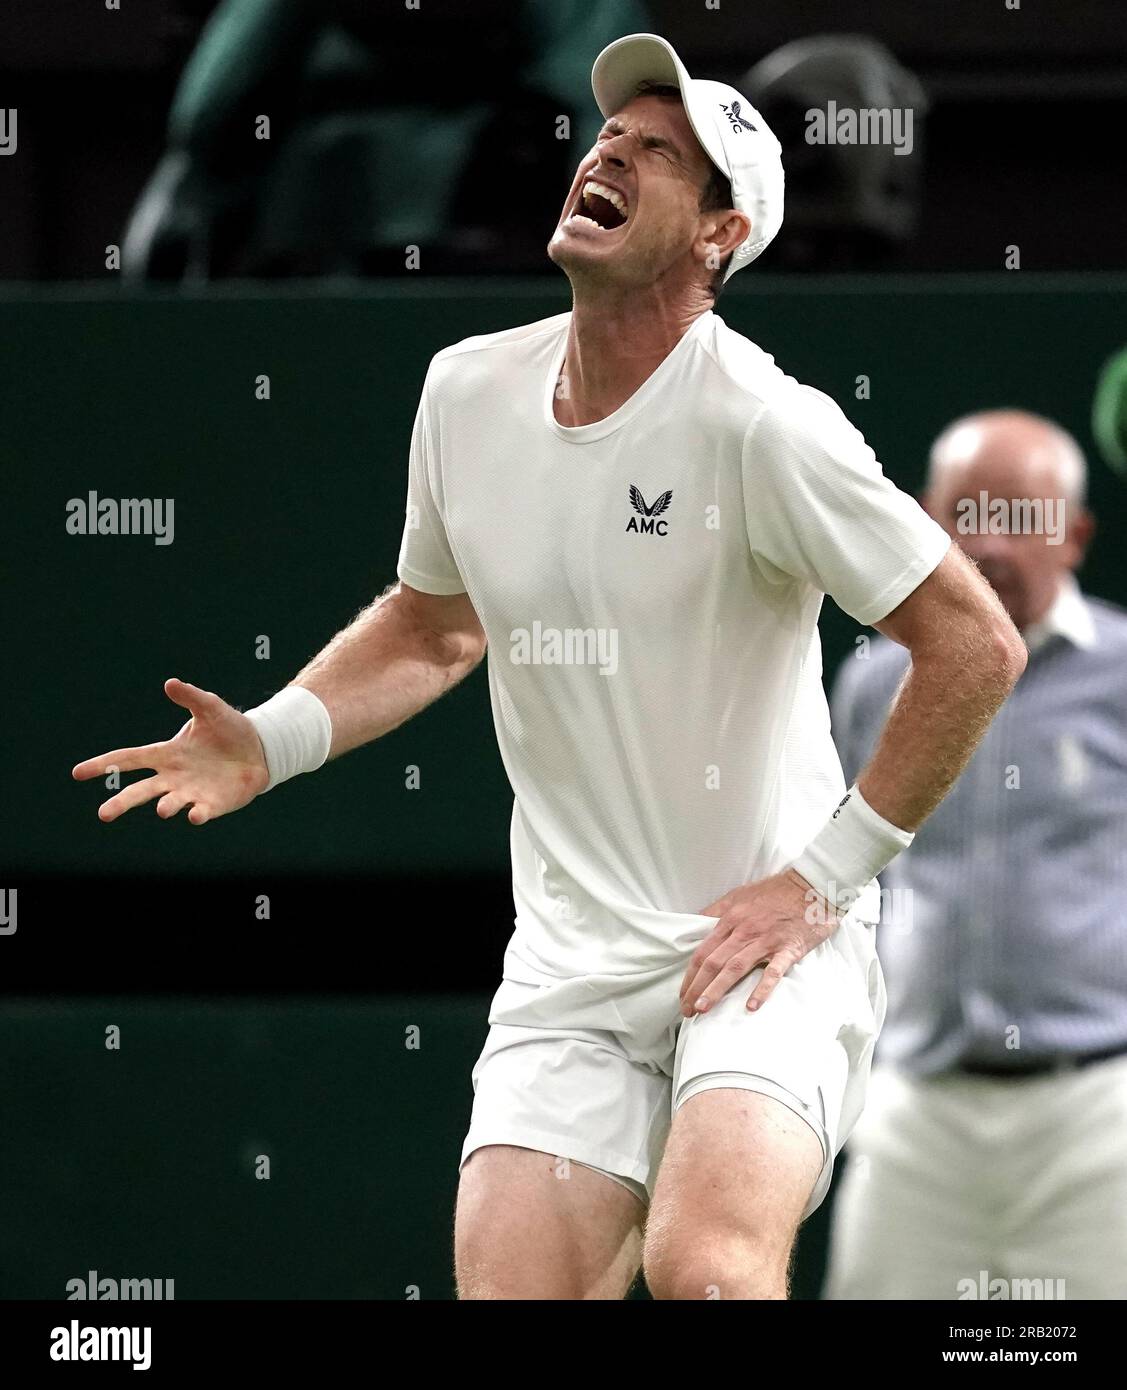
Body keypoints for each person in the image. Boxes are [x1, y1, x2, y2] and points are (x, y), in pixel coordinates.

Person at [73, 35, 1027, 1300]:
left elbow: (971, 643)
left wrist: (821, 878)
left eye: (658, 155)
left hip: (765, 948)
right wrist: (273, 736)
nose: (608, 156)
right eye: (609, 140)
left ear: (716, 234)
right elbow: (433, 627)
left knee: (707, 1276)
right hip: (572, 963)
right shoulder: (463, 392)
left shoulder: (765, 424)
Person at [824, 409, 1127, 1300]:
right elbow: (846, 879)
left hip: (1099, 1110)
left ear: (1073, 538)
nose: (988, 540)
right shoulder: (874, 680)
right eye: (963, 513)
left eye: (1020, 517)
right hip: (914, 1106)